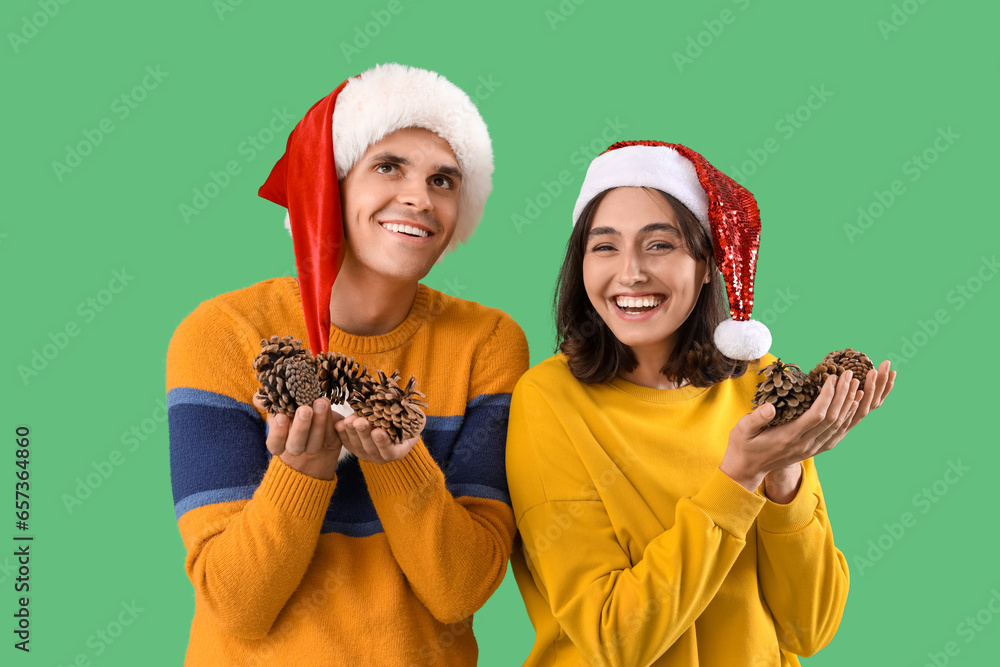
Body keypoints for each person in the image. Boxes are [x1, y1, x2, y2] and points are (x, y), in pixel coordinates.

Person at [166, 63, 528, 665]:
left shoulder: (486, 343)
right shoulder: (224, 335)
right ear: (328, 184)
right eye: (388, 166)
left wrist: (398, 464)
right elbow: (238, 605)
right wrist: (302, 474)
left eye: (444, 180)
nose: (419, 197)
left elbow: (459, 591)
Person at [506, 140, 896, 666]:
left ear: (710, 263)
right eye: (604, 247)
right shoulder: (548, 400)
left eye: (659, 244)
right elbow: (616, 638)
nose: (630, 273)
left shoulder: (758, 381)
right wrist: (738, 480)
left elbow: (812, 628)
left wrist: (783, 478)